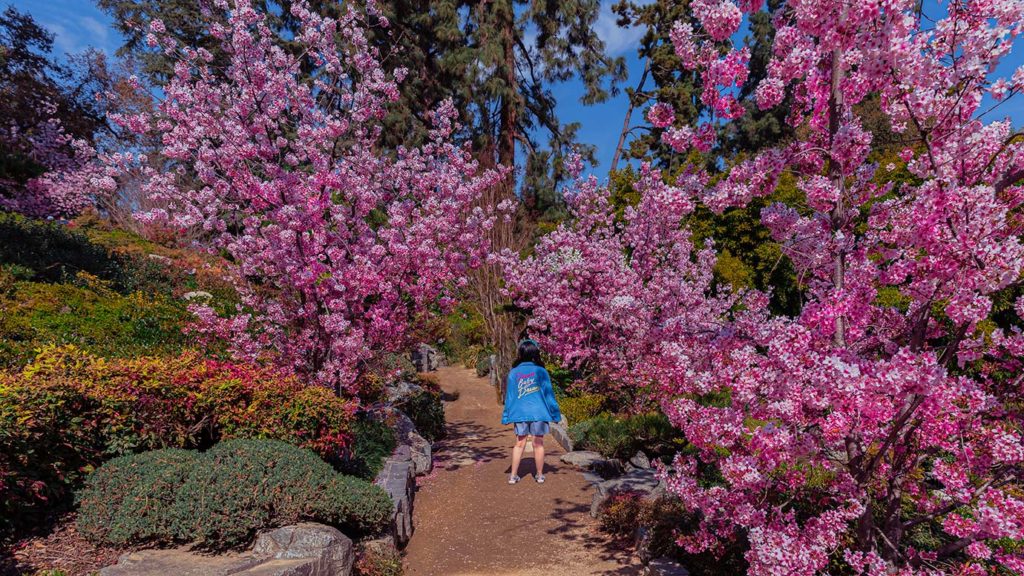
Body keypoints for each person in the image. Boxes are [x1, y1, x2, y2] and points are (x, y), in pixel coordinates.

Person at [500, 338, 561, 484]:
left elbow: (509, 396)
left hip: (519, 413)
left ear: (520, 353)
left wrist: (506, 415)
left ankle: (513, 476)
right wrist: (555, 413)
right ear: (535, 353)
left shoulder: (514, 372)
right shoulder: (541, 371)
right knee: (538, 443)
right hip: (538, 413)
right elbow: (548, 395)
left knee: (519, 443)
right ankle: (539, 475)